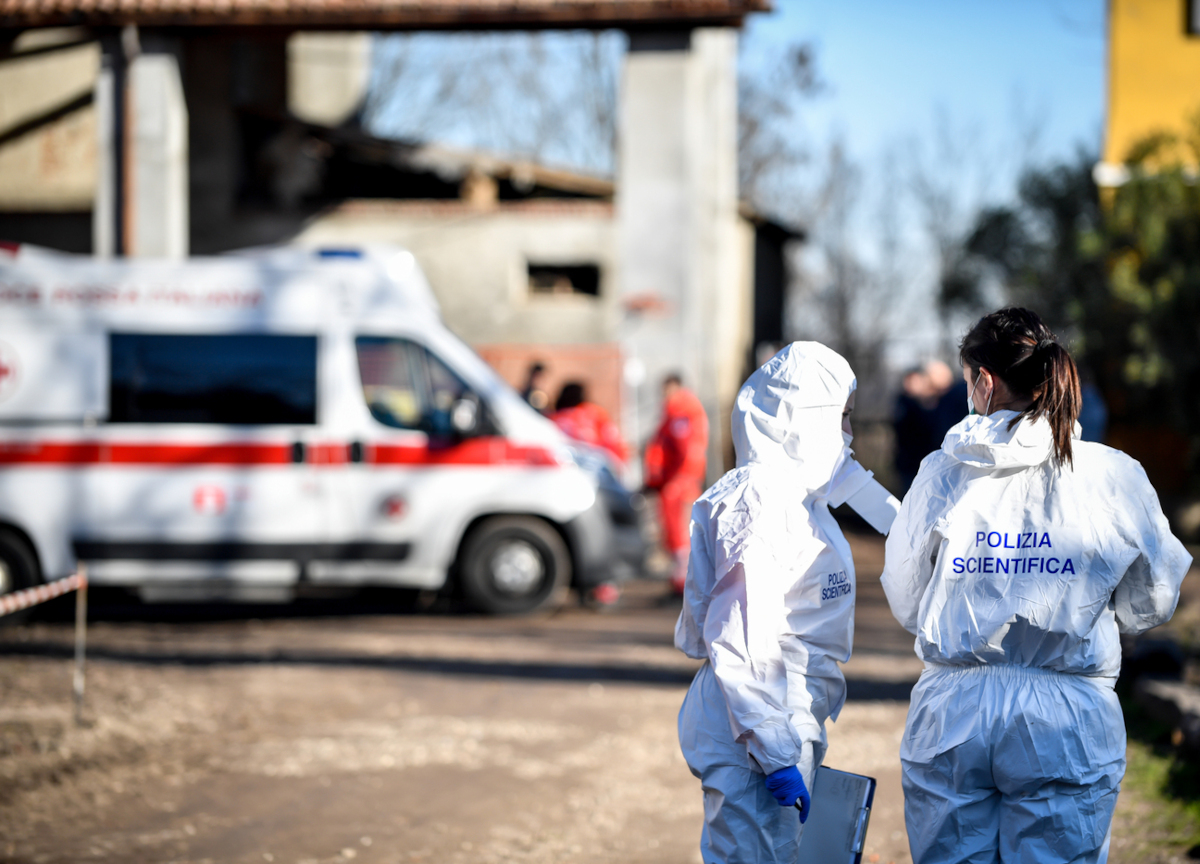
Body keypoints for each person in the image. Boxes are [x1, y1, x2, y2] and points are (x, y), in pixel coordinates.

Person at [881, 307, 1191, 864]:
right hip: (1067, 715)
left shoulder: (941, 473)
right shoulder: (1112, 474)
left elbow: (906, 596)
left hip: (954, 712)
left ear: (984, 381)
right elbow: (1156, 596)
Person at [675, 342, 860, 864]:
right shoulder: (758, 497)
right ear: (804, 417)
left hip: (780, 716)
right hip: (755, 727)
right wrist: (775, 749)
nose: (848, 432)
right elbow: (742, 634)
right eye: (841, 417)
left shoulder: (798, 498)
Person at [644, 373, 708, 595]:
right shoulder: (675, 411)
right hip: (673, 480)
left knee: (680, 532)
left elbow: (687, 447)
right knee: (674, 532)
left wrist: (680, 478)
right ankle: (680, 580)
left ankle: (685, 583)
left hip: (678, 482)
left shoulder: (682, 410)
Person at [550, 381, 627, 465]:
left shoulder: (555, 418)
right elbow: (612, 439)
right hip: (595, 463)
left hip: (565, 463)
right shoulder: (594, 412)